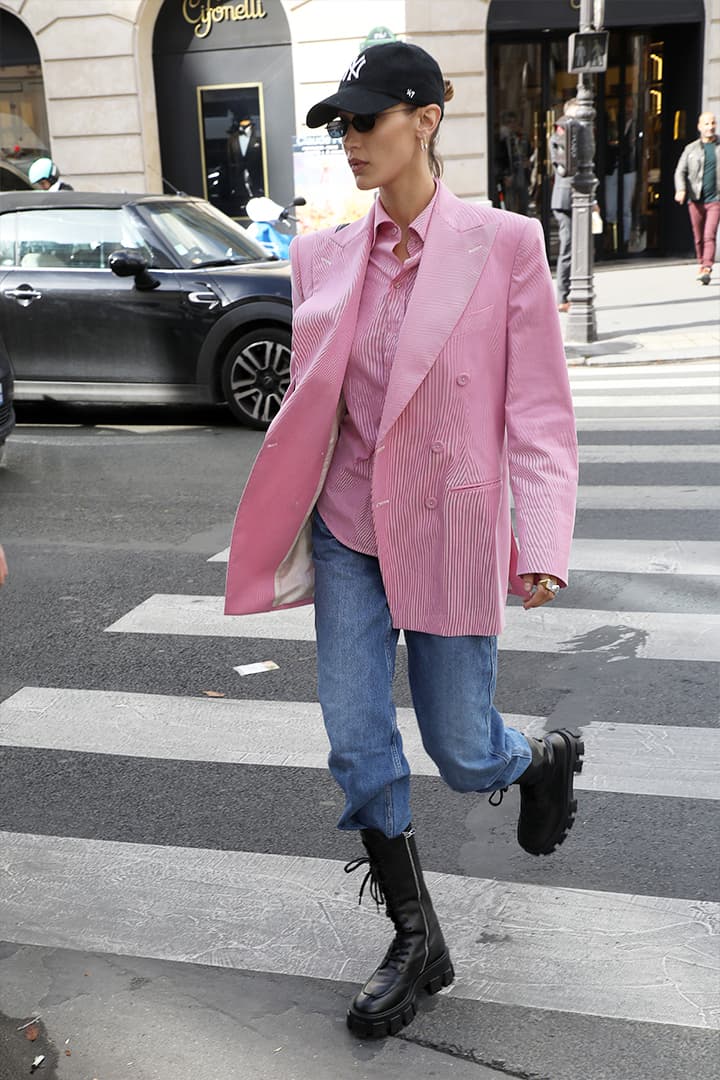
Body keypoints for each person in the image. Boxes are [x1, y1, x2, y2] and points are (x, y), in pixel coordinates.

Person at [225, 41, 582, 1040]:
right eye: (341, 123)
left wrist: (542, 536)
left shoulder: (505, 243)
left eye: (368, 119)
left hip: (451, 527)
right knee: (355, 740)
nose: (350, 140)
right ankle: (417, 937)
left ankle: (537, 760)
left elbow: (541, 412)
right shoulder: (322, 256)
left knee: (464, 751)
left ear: (428, 117)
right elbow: (316, 407)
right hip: (347, 531)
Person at [674, 111, 720, 285]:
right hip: (695, 198)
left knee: (709, 234)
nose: (710, 127)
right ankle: (702, 263)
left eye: (713, 123)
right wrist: (681, 189)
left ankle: (707, 266)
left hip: (715, 199)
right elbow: (680, 171)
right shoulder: (691, 149)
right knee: (699, 236)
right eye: (706, 124)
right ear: (700, 127)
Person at [550, 98, 578, 312]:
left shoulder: (572, 134)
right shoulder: (561, 134)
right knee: (568, 246)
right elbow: (565, 166)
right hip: (566, 198)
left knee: (576, 247)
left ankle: (568, 293)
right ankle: (562, 296)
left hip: (577, 198)